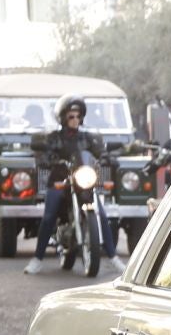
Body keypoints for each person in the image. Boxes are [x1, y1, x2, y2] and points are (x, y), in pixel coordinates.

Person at [25, 96, 118, 276]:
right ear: (63, 118)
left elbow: (100, 152)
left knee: (102, 214)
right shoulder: (54, 138)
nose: (75, 120)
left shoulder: (87, 138)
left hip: (83, 181)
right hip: (60, 181)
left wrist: (108, 159)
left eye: (78, 116)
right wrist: (46, 160)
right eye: (71, 116)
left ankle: (113, 258)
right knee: (49, 216)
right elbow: (44, 154)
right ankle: (37, 259)